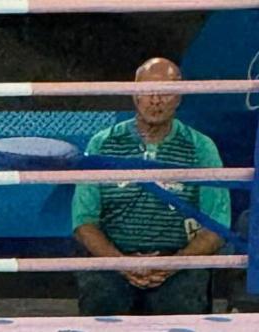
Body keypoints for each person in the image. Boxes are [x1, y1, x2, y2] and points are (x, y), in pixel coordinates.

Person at [72, 57, 230, 316]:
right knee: (102, 300)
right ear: (135, 94)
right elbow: (83, 222)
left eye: (166, 92)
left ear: (179, 97)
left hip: (180, 262)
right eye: (147, 91)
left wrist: (171, 264)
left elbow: (217, 225)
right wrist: (121, 263)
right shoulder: (102, 143)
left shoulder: (202, 148)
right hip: (114, 260)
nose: (155, 100)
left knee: (181, 305)